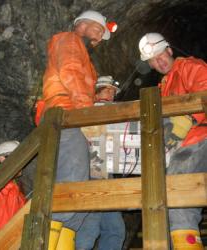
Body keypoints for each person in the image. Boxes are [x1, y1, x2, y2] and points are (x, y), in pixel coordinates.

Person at [42, 9, 114, 248]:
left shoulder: (82, 52)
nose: (99, 38)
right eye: (98, 30)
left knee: (78, 195)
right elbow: (70, 72)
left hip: (73, 115)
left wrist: (94, 98)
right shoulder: (69, 39)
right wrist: (87, 114)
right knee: (72, 182)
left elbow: (79, 80)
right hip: (67, 116)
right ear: (84, 23)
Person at [138, 32, 207, 249]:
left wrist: (188, 118)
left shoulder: (190, 67)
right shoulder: (163, 86)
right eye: (152, 61)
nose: (158, 62)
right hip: (181, 147)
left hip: (200, 137)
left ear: (169, 50)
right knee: (165, 198)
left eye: (160, 55)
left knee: (178, 196)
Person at [76, 76, 126, 250]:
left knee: (115, 229)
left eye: (113, 92)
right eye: (107, 90)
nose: (111, 94)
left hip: (106, 172)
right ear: (96, 94)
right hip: (93, 167)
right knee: (90, 224)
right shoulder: (89, 110)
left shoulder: (115, 112)